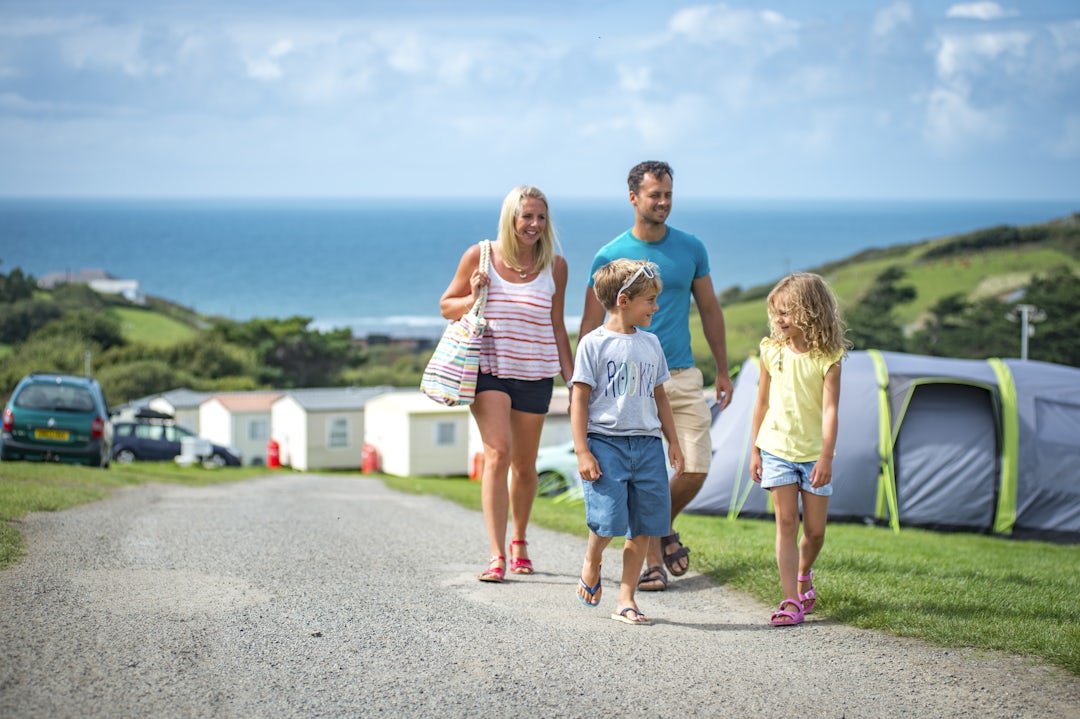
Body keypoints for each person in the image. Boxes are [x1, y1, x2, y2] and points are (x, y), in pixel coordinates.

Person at [579, 160, 733, 592]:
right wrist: (586, 386)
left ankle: (661, 528)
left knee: (696, 467)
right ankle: (651, 560)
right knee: (640, 474)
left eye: (668, 194)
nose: (663, 202)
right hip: (626, 385)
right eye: (654, 195)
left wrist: (721, 369)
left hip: (681, 376)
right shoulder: (609, 255)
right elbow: (591, 327)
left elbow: (709, 309)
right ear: (634, 198)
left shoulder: (691, 248)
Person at [439, 186, 574, 583]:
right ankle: (496, 555)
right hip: (488, 370)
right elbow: (447, 304)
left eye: (540, 217)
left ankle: (519, 540)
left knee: (525, 467)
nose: (534, 224)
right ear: (511, 219)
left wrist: (573, 380)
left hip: (535, 372)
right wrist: (473, 295)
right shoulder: (479, 255)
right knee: (497, 453)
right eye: (526, 216)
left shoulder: (556, 266)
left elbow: (557, 326)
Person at [571, 259, 684, 625]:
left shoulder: (651, 344)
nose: (655, 307)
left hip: (648, 446)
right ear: (623, 300)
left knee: (646, 525)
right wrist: (583, 450)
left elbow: (661, 397)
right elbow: (579, 400)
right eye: (649, 300)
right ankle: (593, 560)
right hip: (606, 444)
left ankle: (626, 598)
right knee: (608, 521)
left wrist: (674, 442)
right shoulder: (593, 344)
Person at [749, 272, 850, 626]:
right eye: (775, 313)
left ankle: (804, 573)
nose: (778, 320)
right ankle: (790, 600)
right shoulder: (770, 351)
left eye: (786, 313)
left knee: (816, 532)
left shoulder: (829, 358)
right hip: (776, 448)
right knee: (786, 523)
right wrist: (755, 450)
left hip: (813, 457)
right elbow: (760, 403)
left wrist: (825, 456)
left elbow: (830, 411)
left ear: (811, 311)